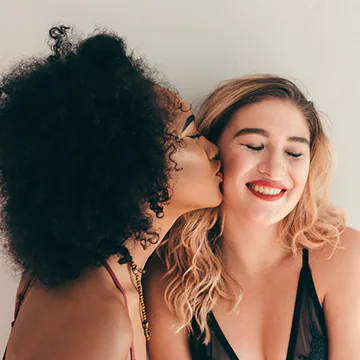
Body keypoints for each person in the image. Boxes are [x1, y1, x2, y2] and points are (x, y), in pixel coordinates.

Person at [0, 26, 223, 360]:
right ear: (136, 165)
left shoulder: (97, 280)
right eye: (191, 133)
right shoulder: (94, 315)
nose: (211, 147)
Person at [145, 75, 360, 360]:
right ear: (211, 150)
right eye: (254, 146)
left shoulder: (344, 254)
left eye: (294, 152)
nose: (274, 169)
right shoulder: (169, 276)